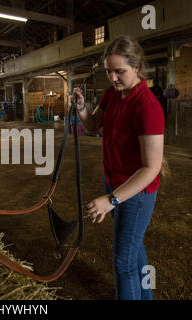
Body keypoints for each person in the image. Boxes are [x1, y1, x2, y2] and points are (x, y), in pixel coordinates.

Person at [73, 35, 165, 300]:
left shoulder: (147, 106)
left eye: (120, 71)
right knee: (133, 251)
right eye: (108, 71)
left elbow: (151, 168)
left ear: (136, 67)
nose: (113, 78)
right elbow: (92, 125)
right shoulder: (112, 94)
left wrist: (110, 200)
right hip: (113, 184)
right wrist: (81, 109)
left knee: (123, 263)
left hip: (136, 194)